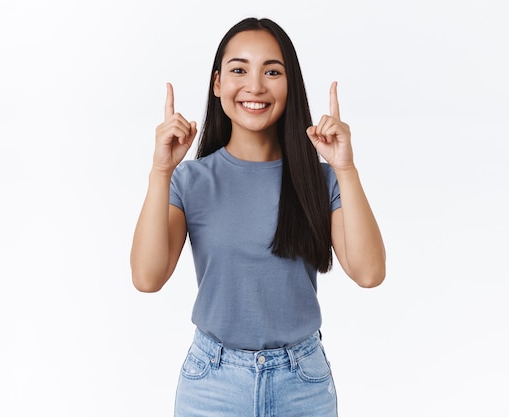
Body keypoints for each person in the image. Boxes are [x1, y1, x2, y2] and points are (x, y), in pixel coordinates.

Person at [130, 16, 386, 417]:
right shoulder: (190, 180)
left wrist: (345, 168)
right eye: (238, 70)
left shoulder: (320, 180)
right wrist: (161, 172)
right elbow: (147, 278)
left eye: (272, 71)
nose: (255, 85)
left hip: (302, 383)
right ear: (217, 84)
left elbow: (369, 273)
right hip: (212, 384)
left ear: (290, 84)